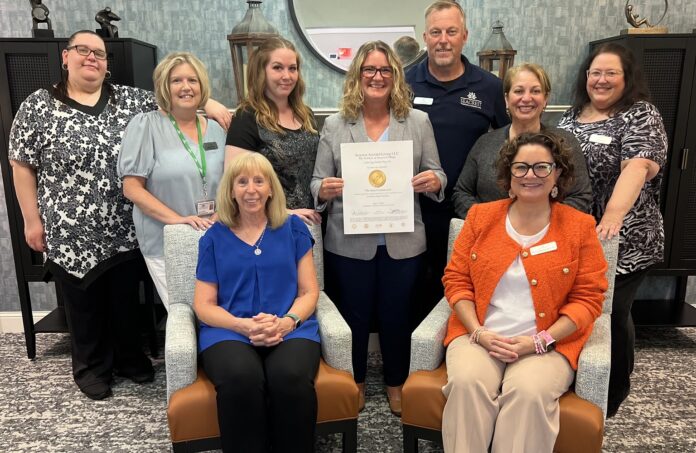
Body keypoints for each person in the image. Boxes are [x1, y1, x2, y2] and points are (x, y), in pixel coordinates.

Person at [8, 30, 230, 401]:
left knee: (125, 299)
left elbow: (178, 93)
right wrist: (32, 220)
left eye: (99, 53)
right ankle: (91, 367)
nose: (91, 58)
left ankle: (129, 357)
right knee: (84, 302)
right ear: (66, 56)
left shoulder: (128, 99)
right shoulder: (39, 105)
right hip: (71, 228)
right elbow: (21, 165)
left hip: (123, 226)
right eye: (82, 50)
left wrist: (215, 104)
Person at [441, 132, 608, 452]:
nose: (530, 175)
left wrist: (540, 341)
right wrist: (478, 332)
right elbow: (457, 281)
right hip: (480, 335)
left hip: (547, 343)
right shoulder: (480, 217)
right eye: (521, 167)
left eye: (542, 167)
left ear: (557, 174)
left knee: (528, 393)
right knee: (467, 384)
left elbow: (589, 299)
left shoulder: (579, 226)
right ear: (509, 174)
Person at [311, 40, 446, 415]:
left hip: (403, 240)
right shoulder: (335, 124)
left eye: (385, 70)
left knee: (397, 314)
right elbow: (317, 181)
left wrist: (433, 181)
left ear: (396, 76)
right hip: (348, 240)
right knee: (353, 314)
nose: (377, 76)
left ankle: (396, 381)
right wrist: (324, 189)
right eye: (369, 69)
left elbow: (438, 172)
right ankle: (354, 380)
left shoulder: (417, 122)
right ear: (357, 76)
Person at [558, 42, 668, 418]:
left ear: (627, 78)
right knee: (578, 308)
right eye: (595, 73)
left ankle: (613, 390)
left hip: (624, 238)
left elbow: (638, 167)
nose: (601, 80)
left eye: (611, 73)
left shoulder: (640, 114)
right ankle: (578, 376)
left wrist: (611, 218)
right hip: (576, 236)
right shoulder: (572, 116)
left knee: (611, 313)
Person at [193, 152, 320, 453]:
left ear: (271, 188)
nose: (251, 189)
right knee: (240, 378)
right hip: (229, 330)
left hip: (289, 327)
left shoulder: (293, 228)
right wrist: (243, 326)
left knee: (289, 377)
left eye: (259, 181)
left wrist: (287, 322)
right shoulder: (213, 238)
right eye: (242, 182)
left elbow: (309, 292)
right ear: (231, 191)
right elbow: (204, 304)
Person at [406, 0, 509, 316]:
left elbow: (509, 140)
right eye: (435, 32)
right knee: (414, 291)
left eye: (451, 32)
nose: (443, 40)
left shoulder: (489, 86)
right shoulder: (404, 83)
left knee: (461, 288)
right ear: (425, 37)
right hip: (412, 210)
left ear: (465, 36)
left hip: (467, 211)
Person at [119, 52, 226, 310]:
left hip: (215, 234)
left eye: (192, 80)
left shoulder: (217, 129)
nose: (186, 87)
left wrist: (222, 213)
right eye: (176, 80)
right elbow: (132, 188)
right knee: (186, 312)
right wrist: (178, 220)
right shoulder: (146, 126)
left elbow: (232, 181)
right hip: (167, 239)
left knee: (218, 309)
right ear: (164, 87)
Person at [452, 63, 592, 218]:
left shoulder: (565, 142)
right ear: (506, 99)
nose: (526, 98)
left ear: (545, 98)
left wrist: (538, 223)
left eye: (535, 91)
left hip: (550, 232)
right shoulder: (484, 143)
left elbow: (581, 196)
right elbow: (461, 193)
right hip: (489, 229)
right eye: (519, 91)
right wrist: (492, 222)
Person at [226, 37, 321, 225]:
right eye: (277, 68)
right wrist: (284, 213)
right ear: (261, 72)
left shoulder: (306, 115)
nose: (287, 76)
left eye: (292, 68)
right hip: (271, 224)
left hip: (313, 223)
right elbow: (235, 181)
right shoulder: (246, 118)